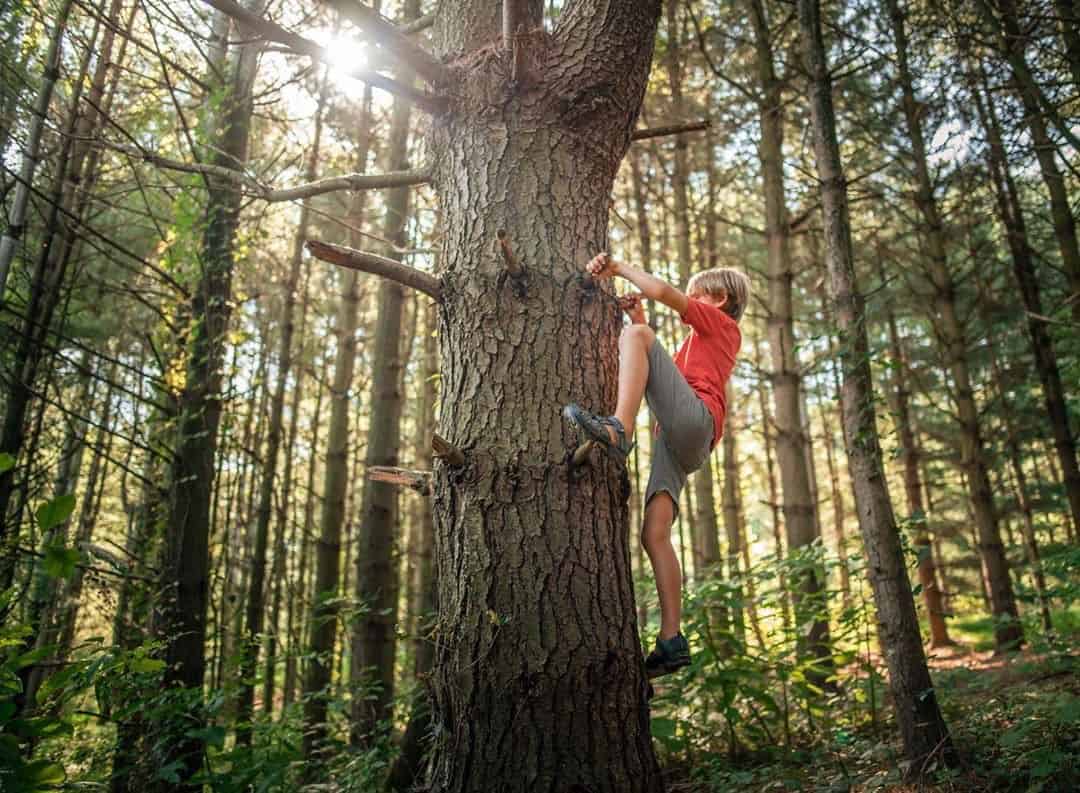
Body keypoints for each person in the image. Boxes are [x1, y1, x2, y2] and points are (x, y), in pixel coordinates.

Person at [564, 252, 748, 678]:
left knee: (640, 337)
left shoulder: (722, 326)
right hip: (684, 443)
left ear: (718, 300)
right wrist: (638, 315)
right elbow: (666, 382)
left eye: (697, 293)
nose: (690, 298)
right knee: (654, 534)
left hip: (693, 424)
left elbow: (664, 293)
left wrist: (619, 269)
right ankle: (671, 639)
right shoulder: (696, 346)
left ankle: (618, 429)